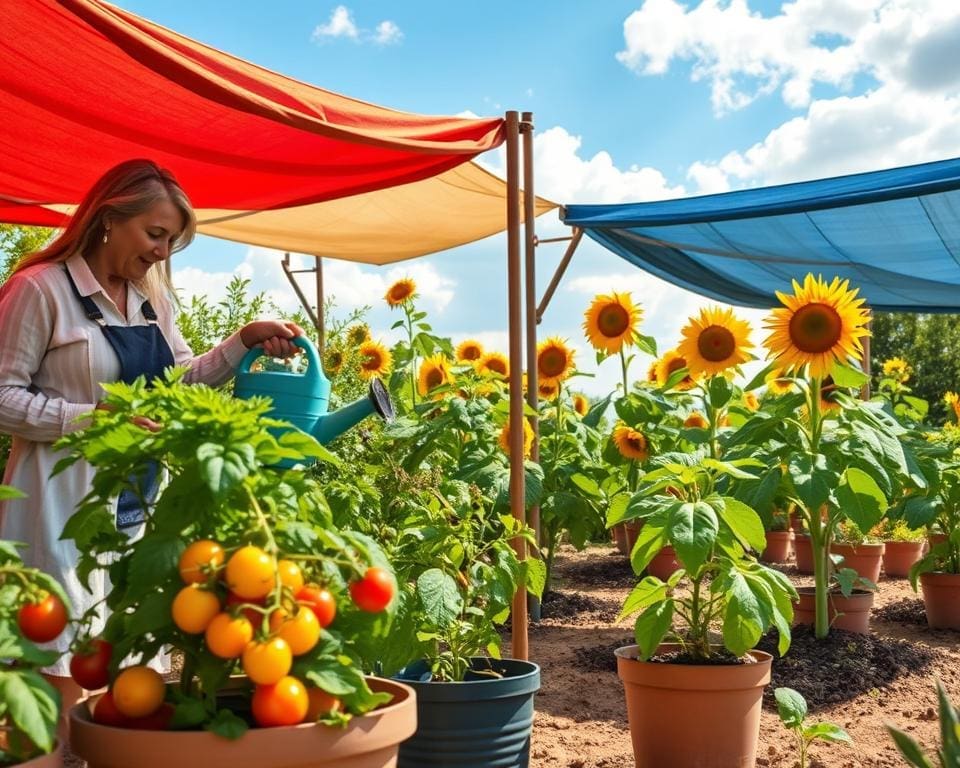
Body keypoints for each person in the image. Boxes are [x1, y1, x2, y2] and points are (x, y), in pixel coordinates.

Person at [0, 159, 302, 707]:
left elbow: (179, 381)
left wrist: (244, 340)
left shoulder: (151, 299)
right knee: (62, 671)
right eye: (156, 234)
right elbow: (2, 396)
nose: (163, 253)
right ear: (110, 218)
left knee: (129, 679)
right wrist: (91, 419)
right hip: (58, 504)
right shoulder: (40, 290)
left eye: (172, 241)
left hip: (137, 504)